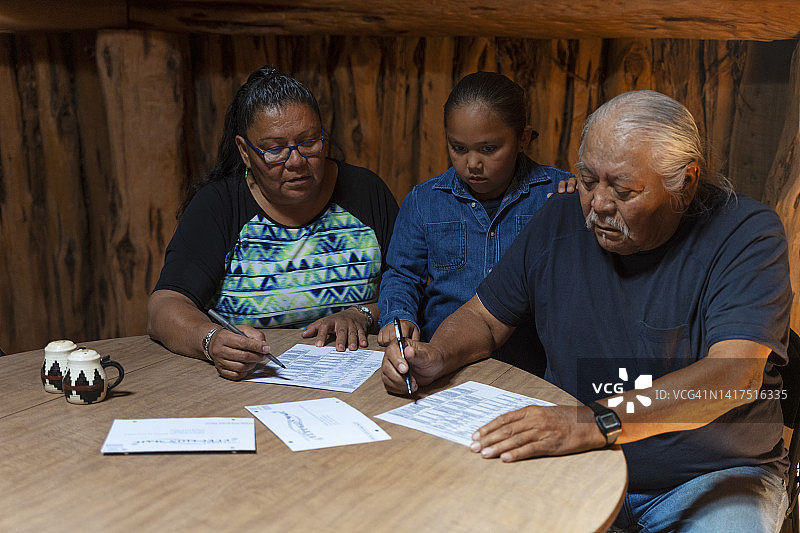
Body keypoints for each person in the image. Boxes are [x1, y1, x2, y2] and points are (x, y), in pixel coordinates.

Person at [382, 90, 792, 531]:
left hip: (711, 475)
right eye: (588, 179)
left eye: (623, 188)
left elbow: (733, 377)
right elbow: (483, 317)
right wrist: (437, 354)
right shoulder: (558, 220)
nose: (598, 204)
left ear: (686, 183)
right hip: (578, 461)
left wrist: (590, 422)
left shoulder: (746, 234)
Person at [148, 66, 398, 380]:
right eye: (275, 149)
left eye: (309, 142)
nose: (296, 161)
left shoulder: (365, 191)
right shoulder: (220, 205)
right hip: (248, 384)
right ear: (245, 151)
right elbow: (165, 306)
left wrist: (361, 314)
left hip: (360, 380)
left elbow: (409, 287)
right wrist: (211, 340)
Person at [377, 71, 574, 376]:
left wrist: (581, 202)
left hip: (533, 366)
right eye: (458, 148)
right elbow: (402, 274)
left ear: (522, 137)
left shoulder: (558, 193)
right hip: (445, 362)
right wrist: (399, 316)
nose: (472, 164)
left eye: (488, 149)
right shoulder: (424, 200)